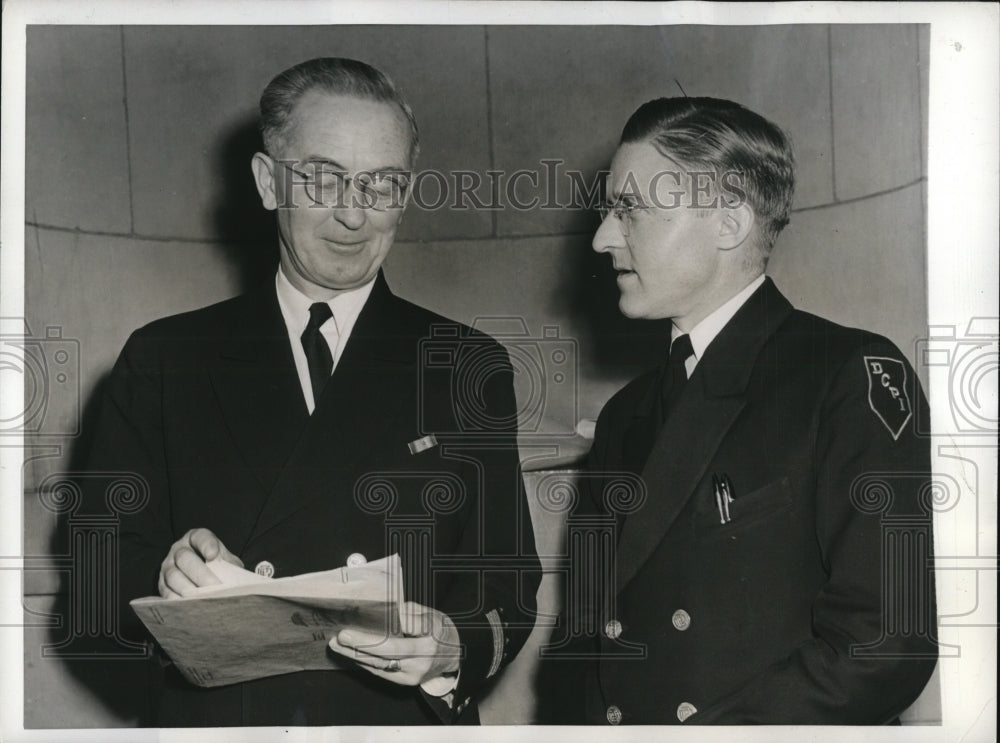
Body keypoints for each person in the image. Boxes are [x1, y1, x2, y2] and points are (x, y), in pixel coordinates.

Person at [80, 57, 540, 726]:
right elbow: (94, 573)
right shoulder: (164, 359)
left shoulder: (465, 363)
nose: (353, 214)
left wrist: (450, 647)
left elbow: (508, 586)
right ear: (268, 182)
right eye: (324, 179)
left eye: (382, 184)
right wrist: (165, 575)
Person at [550, 96, 937, 724]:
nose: (602, 238)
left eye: (630, 210)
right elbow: (581, 651)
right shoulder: (624, 416)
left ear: (728, 223)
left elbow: (884, 645)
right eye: (607, 210)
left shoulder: (846, 375)